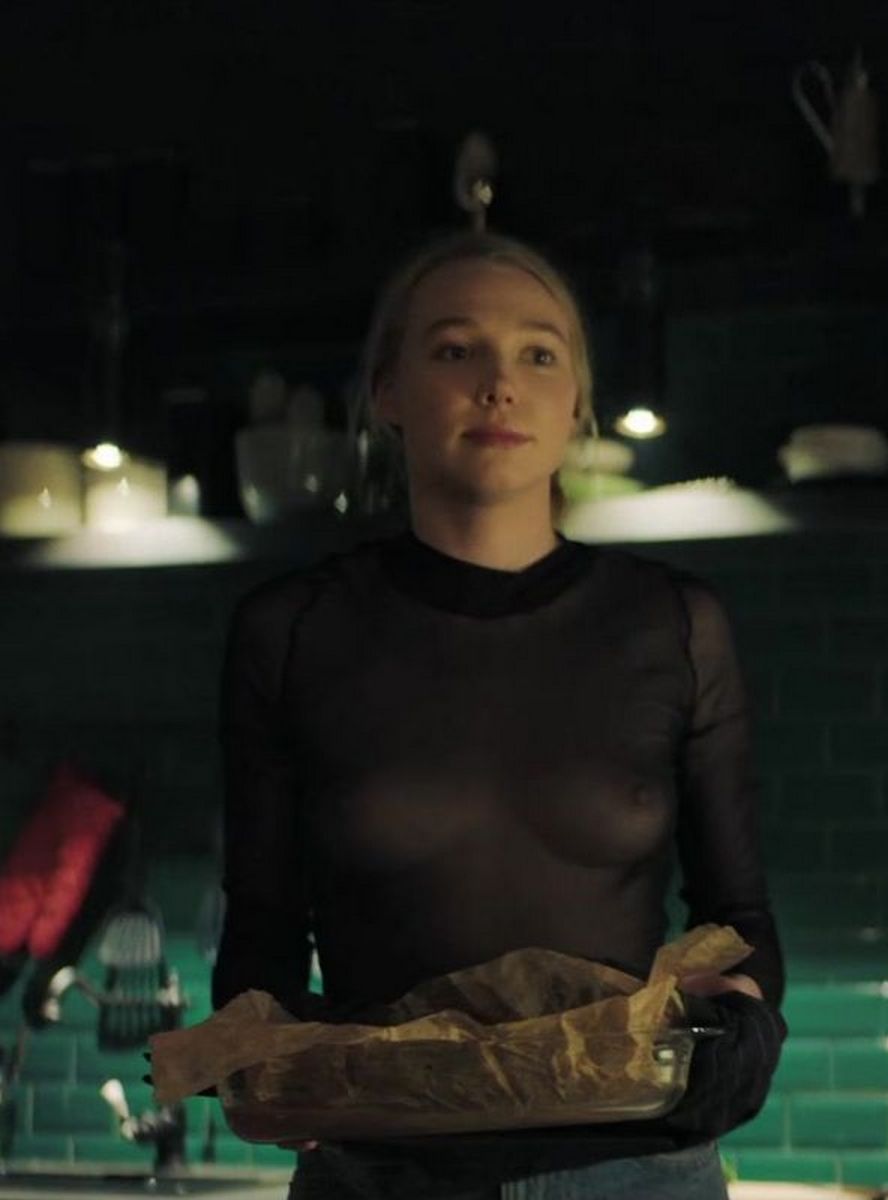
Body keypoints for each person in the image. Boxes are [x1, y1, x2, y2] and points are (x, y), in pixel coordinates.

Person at [211, 230, 787, 1199]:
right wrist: (260, 1052)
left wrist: (739, 1012)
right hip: (384, 1176)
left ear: (576, 405)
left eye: (538, 354)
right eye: (453, 349)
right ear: (387, 392)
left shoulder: (677, 625)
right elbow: (260, 928)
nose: (499, 384)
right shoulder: (292, 631)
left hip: (637, 1171)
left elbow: (739, 918)